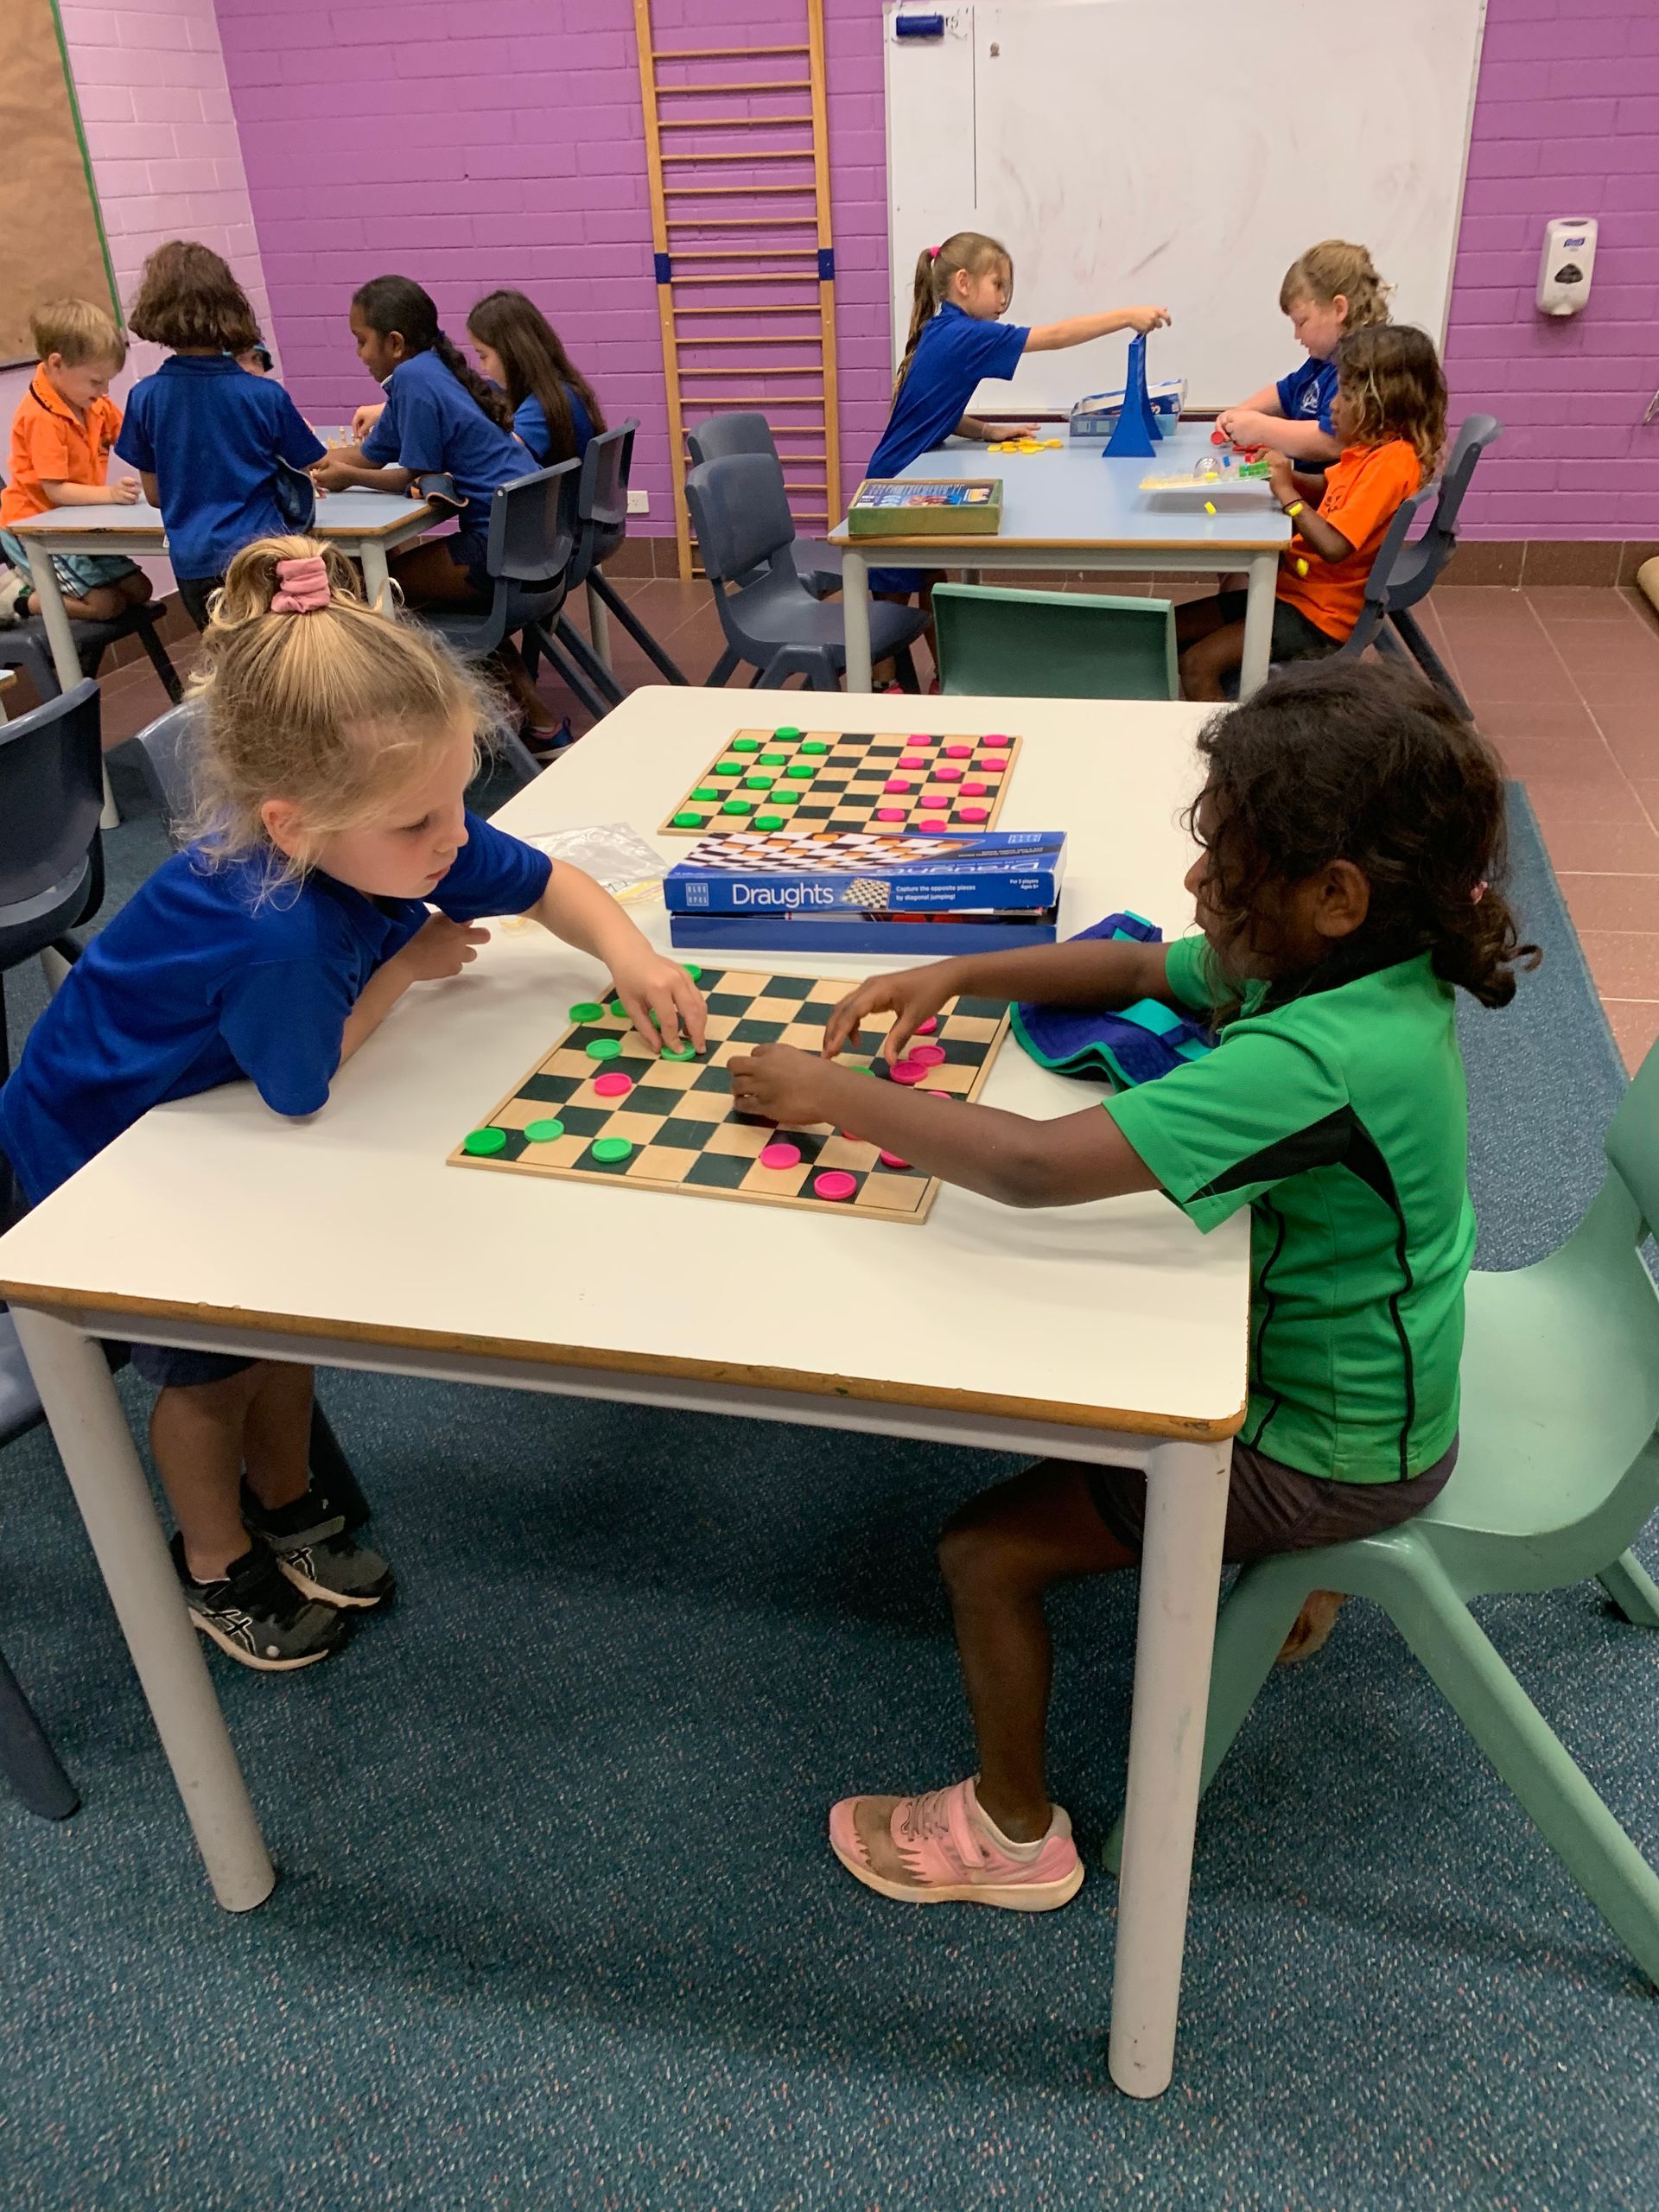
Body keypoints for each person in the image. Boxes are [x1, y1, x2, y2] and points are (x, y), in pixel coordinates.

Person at [728, 659, 1535, 1909]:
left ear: (1333, 894)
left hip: (1335, 1449)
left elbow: (1035, 1167)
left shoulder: (1319, 1054)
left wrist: (836, 1096)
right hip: (1380, 1370)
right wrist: (961, 973)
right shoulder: (1354, 961)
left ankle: (1009, 1835)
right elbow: (1137, 973)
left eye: (1228, 860)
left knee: (985, 1550)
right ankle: (1296, 1583)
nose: (1198, 883)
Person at [0, 535, 706, 1673]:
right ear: (292, 823)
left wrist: (629, 957)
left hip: (201, 1121)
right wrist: (406, 969)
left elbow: (552, 883)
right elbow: (301, 1082)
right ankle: (215, 1563)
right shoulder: (275, 929)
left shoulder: (392, 839)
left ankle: (288, 1505)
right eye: (422, 825)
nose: (454, 841)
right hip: (100, 1152)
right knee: (207, 1372)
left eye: (455, 805)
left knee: (271, 1332)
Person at [864, 232, 1169, 606]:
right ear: (963, 282)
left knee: (931, 582)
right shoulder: (965, 334)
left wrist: (987, 431)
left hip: (905, 477)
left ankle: (946, 665)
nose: (1004, 300)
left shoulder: (947, 329)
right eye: (998, 286)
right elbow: (1054, 336)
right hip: (894, 488)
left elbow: (936, 410)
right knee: (886, 620)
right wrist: (1125, 316)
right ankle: (878, 667)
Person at [313, 275, 556, 728]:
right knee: (424, 596)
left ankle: (413, 725)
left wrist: (347, 477)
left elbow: (409, 473)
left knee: (375, 590)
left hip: (498, 554)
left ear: (396, 342)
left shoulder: (412, 378)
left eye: (361, 341)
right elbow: (371, 453)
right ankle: (536, 719)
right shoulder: (429, 367)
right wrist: (316, 460)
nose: (359, 354)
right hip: (533, 549)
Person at [1176, 323, 1446, 701]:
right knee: (1171, 629)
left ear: (1385, 401)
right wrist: (1290, 474)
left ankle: (1233, 753)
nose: (1333, 404)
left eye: (1347, 394)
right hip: (1295, 592)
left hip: (1318, 616)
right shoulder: (1372, 450)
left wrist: (1288, 495)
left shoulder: (1390, 464)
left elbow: (1335, 546)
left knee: (1196, 664)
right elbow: (1328, 489)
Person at [114, 241, 325, 629]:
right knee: (279, 662)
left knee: (227, 666)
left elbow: (157, 495)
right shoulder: (264, 395)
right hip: (264, 556)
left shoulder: (144, 398)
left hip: (193, 562)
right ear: (230, 306)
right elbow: (314, 464)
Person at [0, 298, 153, 624]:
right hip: (37, 527)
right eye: (96, 381)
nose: (105, 390)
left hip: (76, 521)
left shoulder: (92, 402)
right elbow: (56, 491)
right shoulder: (40, 416)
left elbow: (132, 441)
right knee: (105, 605)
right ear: (57, 364)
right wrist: (110, 495)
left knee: (140, 591)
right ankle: (17, 600)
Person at [1215, 239, 1393, 467]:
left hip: (1333, 499)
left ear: (1339, 309)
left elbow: (1332, 440)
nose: (1297, 335)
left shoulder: (1362, 367)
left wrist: (1260, 429)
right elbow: (1285, 392)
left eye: (1301, 322)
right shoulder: (1323, 359)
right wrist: (1240, 413)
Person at [466, 288, 606, 468]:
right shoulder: (561, 389)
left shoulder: (544, 406)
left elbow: (497, 459)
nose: (481, 366)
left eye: (483, 356)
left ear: (511, 352)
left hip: (558, 496)